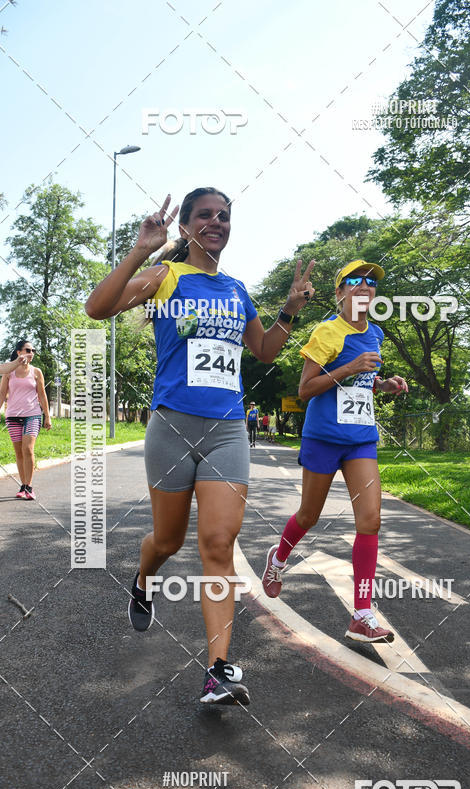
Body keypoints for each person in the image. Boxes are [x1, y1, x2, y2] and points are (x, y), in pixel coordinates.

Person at [86, 188, 315, 706]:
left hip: (228, 428)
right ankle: (144, 577)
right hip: (172, 425)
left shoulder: (237, 290)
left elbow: (263, 349)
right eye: (205, 216)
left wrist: (290, 312)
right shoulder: (166, 278)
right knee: (166, 542)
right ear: (187, 227)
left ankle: (219, 670)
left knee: (217, 545)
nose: (217, 222)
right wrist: (142, 248)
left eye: (224, 216)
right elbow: (97, 308)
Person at [261, 259, 408, 643]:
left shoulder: (374, 332)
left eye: (371, 282)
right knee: (309, 516)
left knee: (371, 520)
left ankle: (361, 614)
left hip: (360, 439)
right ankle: (278, 559)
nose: (365, 287)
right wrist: (349, 368)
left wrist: (384, 384)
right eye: (355, 281)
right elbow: (305, 389)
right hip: (324, 437)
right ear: (340, 292)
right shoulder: (327, 332)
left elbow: (363, 380)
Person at [0, 339, 52, 500]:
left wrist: (47, 416)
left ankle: (29, 486)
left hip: (32, 414)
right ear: (19, 352)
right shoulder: (9, 372)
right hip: (13, 416)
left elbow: (42, 395)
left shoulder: (36, 372)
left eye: (33, 351)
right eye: (28, 350)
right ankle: (22, 485)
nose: (31, 353)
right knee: (19, 452)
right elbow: (2, 394)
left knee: (28, 449)